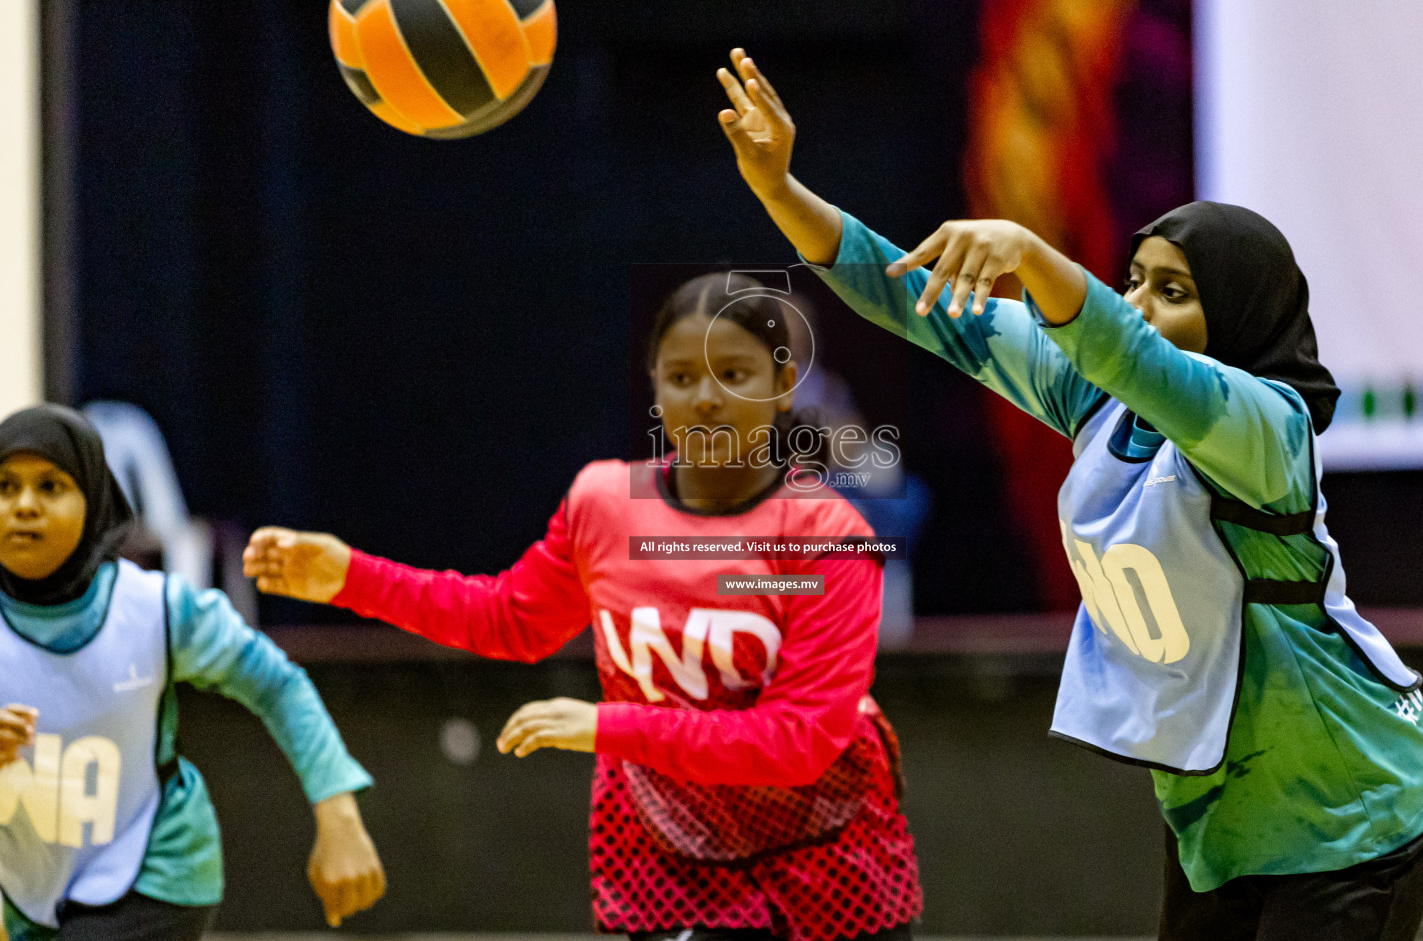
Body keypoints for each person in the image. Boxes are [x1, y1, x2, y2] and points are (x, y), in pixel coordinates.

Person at [714, 47, 1423, 939]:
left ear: (1241, 313)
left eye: (1172, 291)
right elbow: (919, 305)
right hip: (1222, 818)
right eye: (1133, 279)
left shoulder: (1267, 428)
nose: (1138, 304)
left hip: (1353, 806)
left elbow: (1134, 355)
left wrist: (1028, 251)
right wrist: (781, 190)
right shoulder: (1095, 397)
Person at [243, 273, 921, 941]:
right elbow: (510, 619)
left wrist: (611, 727)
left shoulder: (825, 536)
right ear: (655, 389)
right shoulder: (604, 503)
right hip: (673, 857)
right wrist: (351, 579)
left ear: (781, 389)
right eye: (682, 377)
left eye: (734, 374)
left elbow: (796, 742)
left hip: (825, 865)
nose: (706, 399)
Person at [0, 404, 385, 940]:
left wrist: (337, 812)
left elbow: (277, 683)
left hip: (156, 871)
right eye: (4, 487)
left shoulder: (156, 608)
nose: (24, 506)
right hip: (29, 884)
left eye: (49, 486)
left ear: (93, 501)